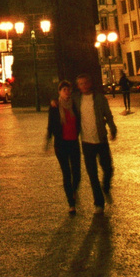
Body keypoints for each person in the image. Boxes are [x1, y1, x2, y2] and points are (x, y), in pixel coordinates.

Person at [74, 73, 117, 213]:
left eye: (86, 82)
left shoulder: (99, 98)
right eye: (81, 83)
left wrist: (112, 128)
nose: (84, 85)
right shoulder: (76, 99)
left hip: (101, 139)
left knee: (108, 168)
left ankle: (106, 186)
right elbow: (64, 99)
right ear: (78, 86)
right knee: (92, 174)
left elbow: (108, 114)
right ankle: (99, 203)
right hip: (86, 142)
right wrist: (53, 102)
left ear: (90, 83)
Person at [46, 80, 81, 214]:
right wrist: (48, 140)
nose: (66, 92)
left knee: (77, 174)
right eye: (64, 90)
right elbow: (50, 124)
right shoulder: (55, 106)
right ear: (59, 92)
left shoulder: (75, 104)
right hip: (61, 144)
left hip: (74, 142)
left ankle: (73, 190)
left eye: (68, 89)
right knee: (67, 173)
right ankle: (71, 203)